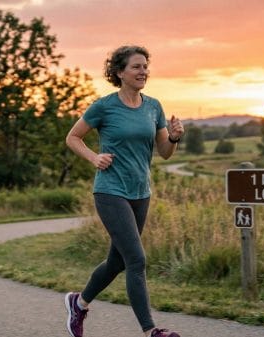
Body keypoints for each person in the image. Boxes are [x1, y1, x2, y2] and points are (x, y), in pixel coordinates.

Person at [64, 45, 184, 337]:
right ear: (119, 72)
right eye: (136, 67)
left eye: (145, 66)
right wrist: (94, 157)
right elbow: (73, 137)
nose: (143, 71)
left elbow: (164, 152)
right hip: (110, 190)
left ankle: (78, 303)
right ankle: (150, 330)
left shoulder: (153, 106)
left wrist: (175, 137)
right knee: (136, 260)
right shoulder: (104, 106)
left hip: (141, 192)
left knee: (117, 261)